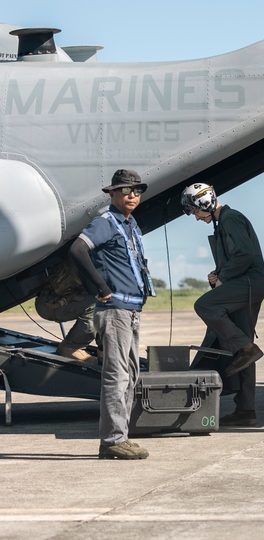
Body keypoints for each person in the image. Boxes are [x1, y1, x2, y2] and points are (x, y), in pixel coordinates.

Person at [69, 169, 153, 460]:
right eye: (126, 191)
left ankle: (121, 437)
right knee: (116, 376)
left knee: (130, 375)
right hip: (115, 309)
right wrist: (101, 287)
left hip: (131, 309)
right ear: (113, 194)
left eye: (137, 191)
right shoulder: (106, 222)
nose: (133, 195)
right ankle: (112, 441)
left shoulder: (129, 223)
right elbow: (78, 250)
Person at [181, 183, 264, 427]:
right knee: (245, 348)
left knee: (204, 306)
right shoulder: (224, 222)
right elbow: (235, 257)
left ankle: (245, 347)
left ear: (204, 204)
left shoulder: (231, 219)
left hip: (249, 283)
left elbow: (245, 255)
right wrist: (217, 273)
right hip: (244, 283)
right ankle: (246, 409)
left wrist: (223, 278)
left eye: (196, 212)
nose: (197, 218)